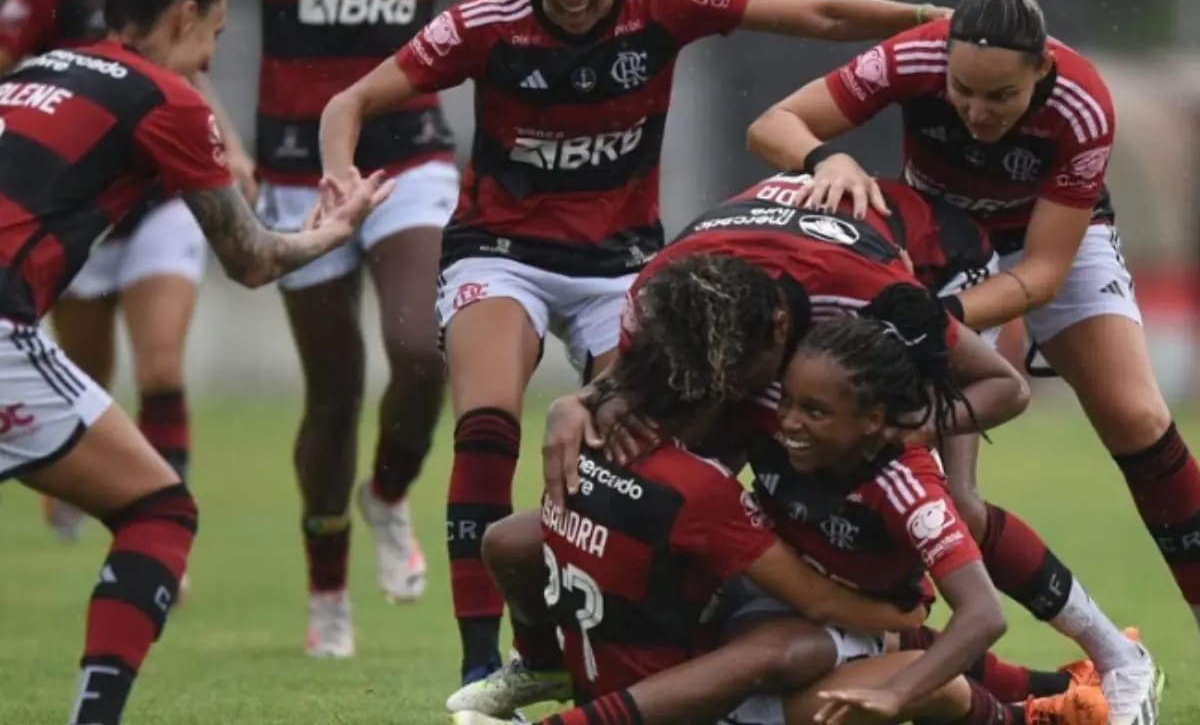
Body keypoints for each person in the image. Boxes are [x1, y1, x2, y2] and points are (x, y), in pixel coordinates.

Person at [321, 0, 953, 681]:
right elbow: (348, 103)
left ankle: (646, 643)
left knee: (641, 446)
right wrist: (339, 181)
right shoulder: (485, 22)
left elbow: (817, 14)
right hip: (502, 252)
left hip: (621, 266)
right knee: (487, 426)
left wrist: (927, 19)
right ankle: (490, 664)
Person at [745, 0, 1169, 725]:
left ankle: (1114, 659)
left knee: (1136, 420)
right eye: (962, 92)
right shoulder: (914, 56)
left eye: (1001, 96)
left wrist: (932, 318)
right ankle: (1062, 680)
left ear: (1041, 71)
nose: (976, 111)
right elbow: (773, 123)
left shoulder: (1082, 102)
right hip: (939, 255)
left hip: (1031, 251)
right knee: (943, 508)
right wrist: (827, 157)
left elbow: (1038, 273)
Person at [0, 0, 387, 724]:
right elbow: (249, 260)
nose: (211, 61)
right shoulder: (164, 100)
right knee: (161, 511)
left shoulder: (35, 73)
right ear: (184, 17)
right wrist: (332, 232)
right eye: (213, 35)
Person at [450, 279, 1106, 725]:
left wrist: (897, 693)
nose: (786, 420)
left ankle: (1044, 708)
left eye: (813, 410)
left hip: (837, 624)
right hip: (785, 594)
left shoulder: (909, 485)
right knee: (517, 539)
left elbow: (982, 613)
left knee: (810, 652)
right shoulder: (780, 410)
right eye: (787, 399)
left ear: (875, 419)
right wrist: (589, 400)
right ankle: (1059, 692)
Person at [198, 0, 516, 657]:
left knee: (420, 347)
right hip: (294, 165)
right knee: (334, 386)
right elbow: (180, 7)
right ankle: (328, 592)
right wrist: (225, 139)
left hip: (411, 156)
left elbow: (514, 4)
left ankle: (390, 491)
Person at [0, 0, 209, 543]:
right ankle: (83, 475)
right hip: (73, 212)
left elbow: (191, 79)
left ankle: (162, 523)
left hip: (158, 199)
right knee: (83, 367)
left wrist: (235, 154)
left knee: (163, 367)